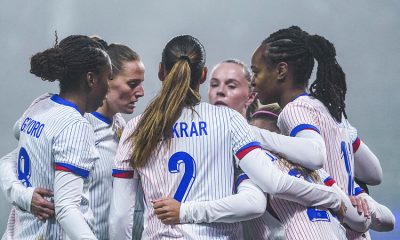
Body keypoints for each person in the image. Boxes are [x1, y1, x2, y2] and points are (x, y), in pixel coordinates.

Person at [110, 37, 343, 239]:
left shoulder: (136, 128)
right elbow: (271, 184)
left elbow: (121, 217)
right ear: (202, 75)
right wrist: (333, 196)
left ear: (161, 71)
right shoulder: (229, 120)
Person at [0, 40, 145, 239]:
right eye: (132, 83)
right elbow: (66, 208)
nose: (141, 92)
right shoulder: (75, 124)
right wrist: (23, 196)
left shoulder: (120, 126)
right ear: (93, 79)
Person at [250, 25, 383, 239]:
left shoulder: (294, 109)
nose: (252, 80)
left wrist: (251, 135)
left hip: (332, 228)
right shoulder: (329, 110)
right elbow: (374, 174)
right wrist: (355, 196)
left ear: (281, 71)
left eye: (256, 71)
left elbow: (314, 154)